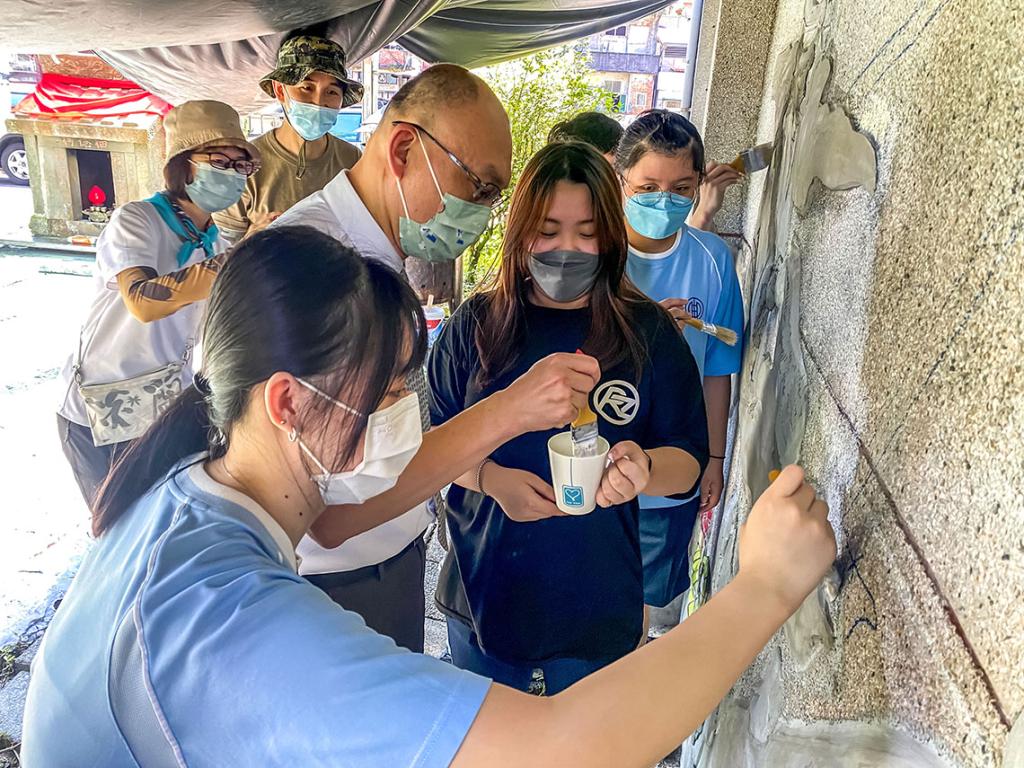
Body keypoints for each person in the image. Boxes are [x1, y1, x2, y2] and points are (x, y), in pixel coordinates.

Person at [22, 225, 837, 768]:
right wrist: (765, 586)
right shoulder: (241, 626)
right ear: (288, 402)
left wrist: (510, 412)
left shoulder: (187, 489)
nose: (404, 410)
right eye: (386, 390)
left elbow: (344, 517)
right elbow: (558, 748)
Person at [428, 141, 709, 694]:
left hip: (596, 616)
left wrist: (644, 469)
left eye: (587, 232)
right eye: (548, 230)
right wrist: (490, 478)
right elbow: (432, 446)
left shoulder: (647, 333)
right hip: (481, 603)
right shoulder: (476, 326)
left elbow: (688, 462)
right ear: (519, 232)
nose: (568, 249)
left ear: (612, 236)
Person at [271, 64, 520, 652]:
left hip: (390, 556)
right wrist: (510, 411)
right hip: (337, 585)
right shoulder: (313, 264)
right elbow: (326, 512)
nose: (482, 213)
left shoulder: (375, 252)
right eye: (478, 187)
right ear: (405, 149)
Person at [56, 100, 260, 506]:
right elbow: (143, 303)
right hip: (101, 406)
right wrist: (238, 257)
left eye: (241, 166)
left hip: (162, 406)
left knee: (157, 516)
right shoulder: (137, 220)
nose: (232, 174)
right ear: (184, 165)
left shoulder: (216, 242)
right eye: (219, 161)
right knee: (114, 523)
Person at [615, 109, 745, 617]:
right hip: (598, 459)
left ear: (698, 186)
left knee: (645, 609)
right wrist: (645, 330)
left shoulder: (713, 260)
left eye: (680, 189)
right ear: (621, 180)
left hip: (674, 470)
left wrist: (714, 459)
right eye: (648, 188)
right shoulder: (596, 255)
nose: (664, 201)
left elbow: (717, 371)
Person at [212, 36, 363, 242]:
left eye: (331, 92)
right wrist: (253, 238)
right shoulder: (242, 165)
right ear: (280, 90)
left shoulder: (352, 160)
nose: (319, 102)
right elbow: (223, 253)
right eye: (306, 88)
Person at [546, 109, 741, 231]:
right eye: (598, 175)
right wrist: (703, 214)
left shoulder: (640, 212)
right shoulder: (578, 237)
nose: (613, 183)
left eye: (616, 171)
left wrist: (705, 212)